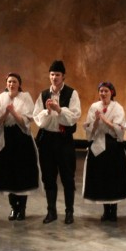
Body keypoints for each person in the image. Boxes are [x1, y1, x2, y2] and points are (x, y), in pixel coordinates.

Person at [33, 59, 81, 224]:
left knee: (68, 177)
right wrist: (47, 111)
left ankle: (69, 212)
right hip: (47, 140)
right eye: (52, 74)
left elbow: (74, 117)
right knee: (48, 177)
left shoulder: (72, 93)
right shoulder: (43, 94)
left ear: (63, 76)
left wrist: (59, 110)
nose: (54, 77)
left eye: (58, 75)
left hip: (64, 139)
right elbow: (37, 119)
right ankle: (51, 211)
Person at [0, 73, 40, 221]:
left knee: (21, 173)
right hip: (6, 139)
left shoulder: (25, 97)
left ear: (19, 84)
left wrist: (13, 112)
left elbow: (26, 122)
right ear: (6, 83)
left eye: (14, 81)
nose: (11, 84)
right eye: (9, 82)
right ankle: (13, 207)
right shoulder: (1, 98)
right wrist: (6, 112)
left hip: (21, 139)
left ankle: (22, 208)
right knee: (8, 173)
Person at [82, 81, 126, 221]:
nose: (103, 93)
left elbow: (119, 129)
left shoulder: (117, 107)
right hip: (98, 146)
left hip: (112, 146)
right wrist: (96, 121)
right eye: (101, 91)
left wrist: (104, 120)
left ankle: (113, 210)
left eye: (106, 91)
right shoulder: (94, 107)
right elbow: (90, 128)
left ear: (112, 92)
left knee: (113, 178)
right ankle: (105, 210)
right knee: (101, 178)